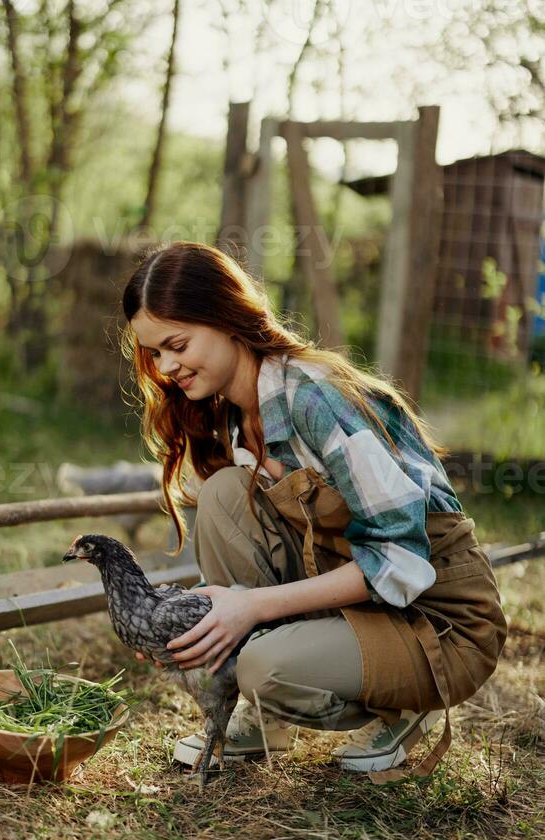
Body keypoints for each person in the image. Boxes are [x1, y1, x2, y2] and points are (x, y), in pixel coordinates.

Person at [119, 240, 508, 783]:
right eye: (154, 353)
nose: (166, 367)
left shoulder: (314, 399)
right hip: (370, 605)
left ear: (226, 317)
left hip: (438, 621)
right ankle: (269, 718)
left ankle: (401, 704)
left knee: (261, 665)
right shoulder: (236, 418)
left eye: (176, 344)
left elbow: (398, 559)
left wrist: (251, 607)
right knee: (223, 496)